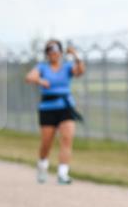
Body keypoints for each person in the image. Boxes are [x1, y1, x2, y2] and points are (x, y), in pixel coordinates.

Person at [24, 40, 85, 184]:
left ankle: (63, 174)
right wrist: (40, 81)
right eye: (50, 51)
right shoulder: (42, 67)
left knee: (67, 139)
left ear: (60, 52)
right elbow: (29, 77)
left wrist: (76, 55)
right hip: (47, 108)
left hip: (65, 107)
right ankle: (42, 166)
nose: (53, 54)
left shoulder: (67, 67)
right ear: (47, 53)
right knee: (47, 143)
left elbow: (80, 71)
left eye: (56, 51)